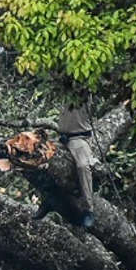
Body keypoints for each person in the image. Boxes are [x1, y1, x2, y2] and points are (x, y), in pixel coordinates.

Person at [37, 97, 97, 227]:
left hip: (79, 138)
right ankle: (47, 199)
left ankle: (88, 209)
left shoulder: (83, 91)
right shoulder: (64, 88)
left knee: (82, 166)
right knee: (41, 158)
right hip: (63, 138)